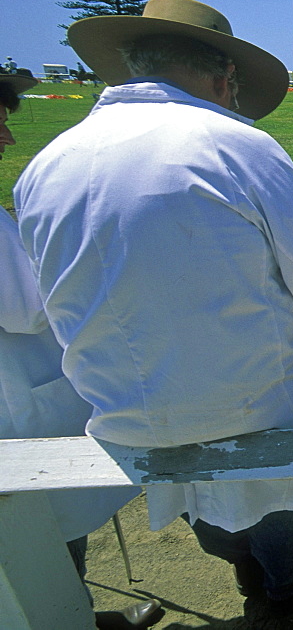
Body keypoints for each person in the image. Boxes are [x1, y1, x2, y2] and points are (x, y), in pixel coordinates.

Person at [14, 0, 293, 615]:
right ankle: (286, 586)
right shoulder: (239, 146)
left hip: (123, 416)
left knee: (193, 492)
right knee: (279, 496)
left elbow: (48, 301)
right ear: (225, 78)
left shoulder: (42, 168)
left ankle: (249, 573)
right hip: (255, 409)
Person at [2, 74, 160, 629]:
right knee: (37, 524)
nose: (7, 138)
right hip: (14, 404)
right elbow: (28, 305)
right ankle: (68, 617)